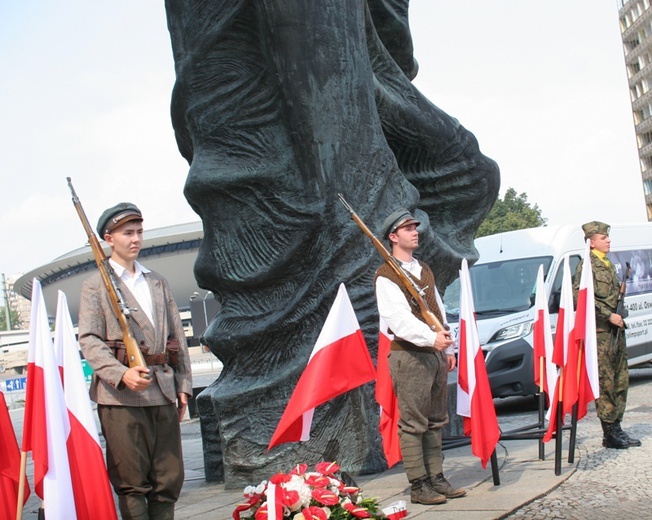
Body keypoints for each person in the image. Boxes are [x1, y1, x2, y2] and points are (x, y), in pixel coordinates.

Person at [78, 203, 193, 519]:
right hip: (121, 399)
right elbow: (89, 340)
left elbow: (177, 339)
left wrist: (182, 385)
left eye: (139, 232)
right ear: (108, 238)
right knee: (132, 484)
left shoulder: (156, 282)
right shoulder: (94, 286)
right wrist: (121, 374)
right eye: (127, 233)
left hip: (162, 391)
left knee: (167, 479)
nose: (135, 239)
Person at [374, 208, 466, 505]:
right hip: (410, 356)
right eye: (408, 228)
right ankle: (419, 484)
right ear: (393, 237)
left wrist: (448, 347)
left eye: (415, 227)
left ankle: (436, 477)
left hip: (435, 354)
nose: (415, 231)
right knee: (413, 423)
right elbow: (397, 320)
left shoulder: (423, 269)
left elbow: (436, 309)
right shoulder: (386, 276)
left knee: (436, 421)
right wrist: (432, 339)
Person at [574, 221, 641, 450]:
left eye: (607, 237)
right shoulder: (587, 266)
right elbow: (581, 299)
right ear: (592, 242)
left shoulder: (608, 264)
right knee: (606, 382)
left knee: (621, 379)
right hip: (601, 333)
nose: (608, 240)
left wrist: (618, 310)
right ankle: (609, 432)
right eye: (603, 238)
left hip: (616, 330)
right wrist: (607, 315)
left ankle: (617, 427)